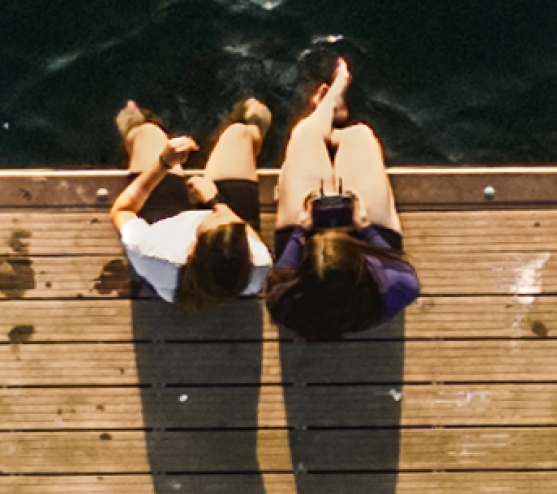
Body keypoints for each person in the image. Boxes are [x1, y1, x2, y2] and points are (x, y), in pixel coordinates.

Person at [263, 54, 421, 342]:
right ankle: (332, 117)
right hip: (369, 243)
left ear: (303, 272)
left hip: (314, 241)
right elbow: (402, 270)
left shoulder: (285, 298)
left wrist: (301, 229)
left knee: (305, 137)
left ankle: (325, 113)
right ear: (360, 265)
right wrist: (365, 229)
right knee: (359, 136)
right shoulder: (393, 287)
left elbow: (283, 269)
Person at [107, 95, 277, 308]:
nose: (221, 214)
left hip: (164, 223)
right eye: (235, 226)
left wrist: (163, 164)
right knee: (240, 134)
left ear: (191, 249)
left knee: (146, 134)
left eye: (216, 217)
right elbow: (240, 230)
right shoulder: (257, 264)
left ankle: (135, 131)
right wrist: (216, 201)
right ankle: (252, 130)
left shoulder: (152, 253)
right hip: (215, 237)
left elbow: (123, 210)